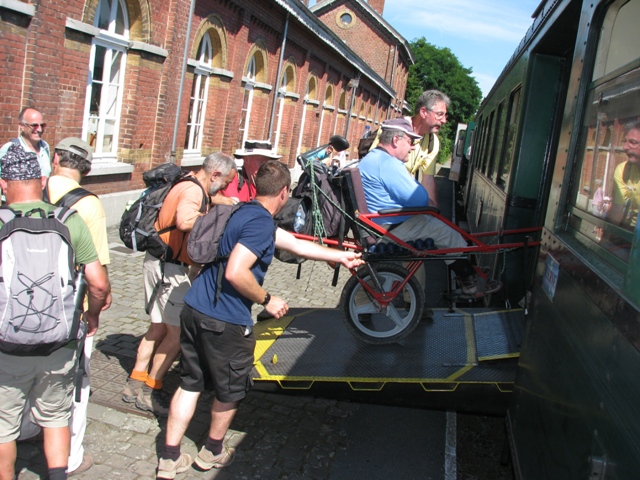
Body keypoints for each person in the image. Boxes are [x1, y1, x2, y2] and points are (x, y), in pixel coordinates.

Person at [156, 160, 363, 479]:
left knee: (189, 383)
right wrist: (267, 299)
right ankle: (211, 452)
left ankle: (169, 459)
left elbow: (293, 243)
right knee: (231, 390)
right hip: (224, 319)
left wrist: (339, 256)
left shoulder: (241, 211)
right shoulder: (259, 224)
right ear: (284, 192)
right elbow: (236, 271)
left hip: (194, 307)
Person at [0, 145, 110, 480]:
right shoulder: (68, 220)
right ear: (43, 179)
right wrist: (91, 317)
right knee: (56, 416)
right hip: (59, 343)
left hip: (7, 346)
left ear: (3, 184)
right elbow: (99, 284)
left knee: (3, 425)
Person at [122, 153, 237, 416]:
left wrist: (228, 202)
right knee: (176, 335)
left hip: (157, 262)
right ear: (215, 174)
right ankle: (152, 390)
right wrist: (217, 220)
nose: (224, 188)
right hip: (170, 269)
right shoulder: (193, 192)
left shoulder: (188, 181)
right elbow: (185, 220)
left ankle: (134, 383)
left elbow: (210, 198)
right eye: (225, 182)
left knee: (157, 328)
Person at [358, 117, 501, 298]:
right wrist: (428, 202)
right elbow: (418, 198)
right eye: (410, 142)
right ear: (395, 140)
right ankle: (470, 282)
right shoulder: (387, 163)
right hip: (388, 228)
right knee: (445, 232)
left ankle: (458, 279)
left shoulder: (373, 159)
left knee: (432, 226)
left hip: (380, 224)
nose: (412, 147)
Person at [370, 90, 449, 207]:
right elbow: (373, 164)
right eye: (440, 114)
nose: (444, 120)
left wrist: (433, 212)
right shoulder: (393, 129)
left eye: (445, 115)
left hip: (403, 200)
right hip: (382, 202)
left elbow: (428, 179)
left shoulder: (433, 142)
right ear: (423, 112)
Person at [0, 107, 52, 179]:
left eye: (42, 125)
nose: (39, 130)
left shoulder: (45, 146)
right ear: (22, 126)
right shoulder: (10, 148)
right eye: (34, 125)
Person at [609, 122, 640, 228]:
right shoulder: (623, 170)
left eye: (633, 142)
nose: (625, 147)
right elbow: (617, 209)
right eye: (625, 141)